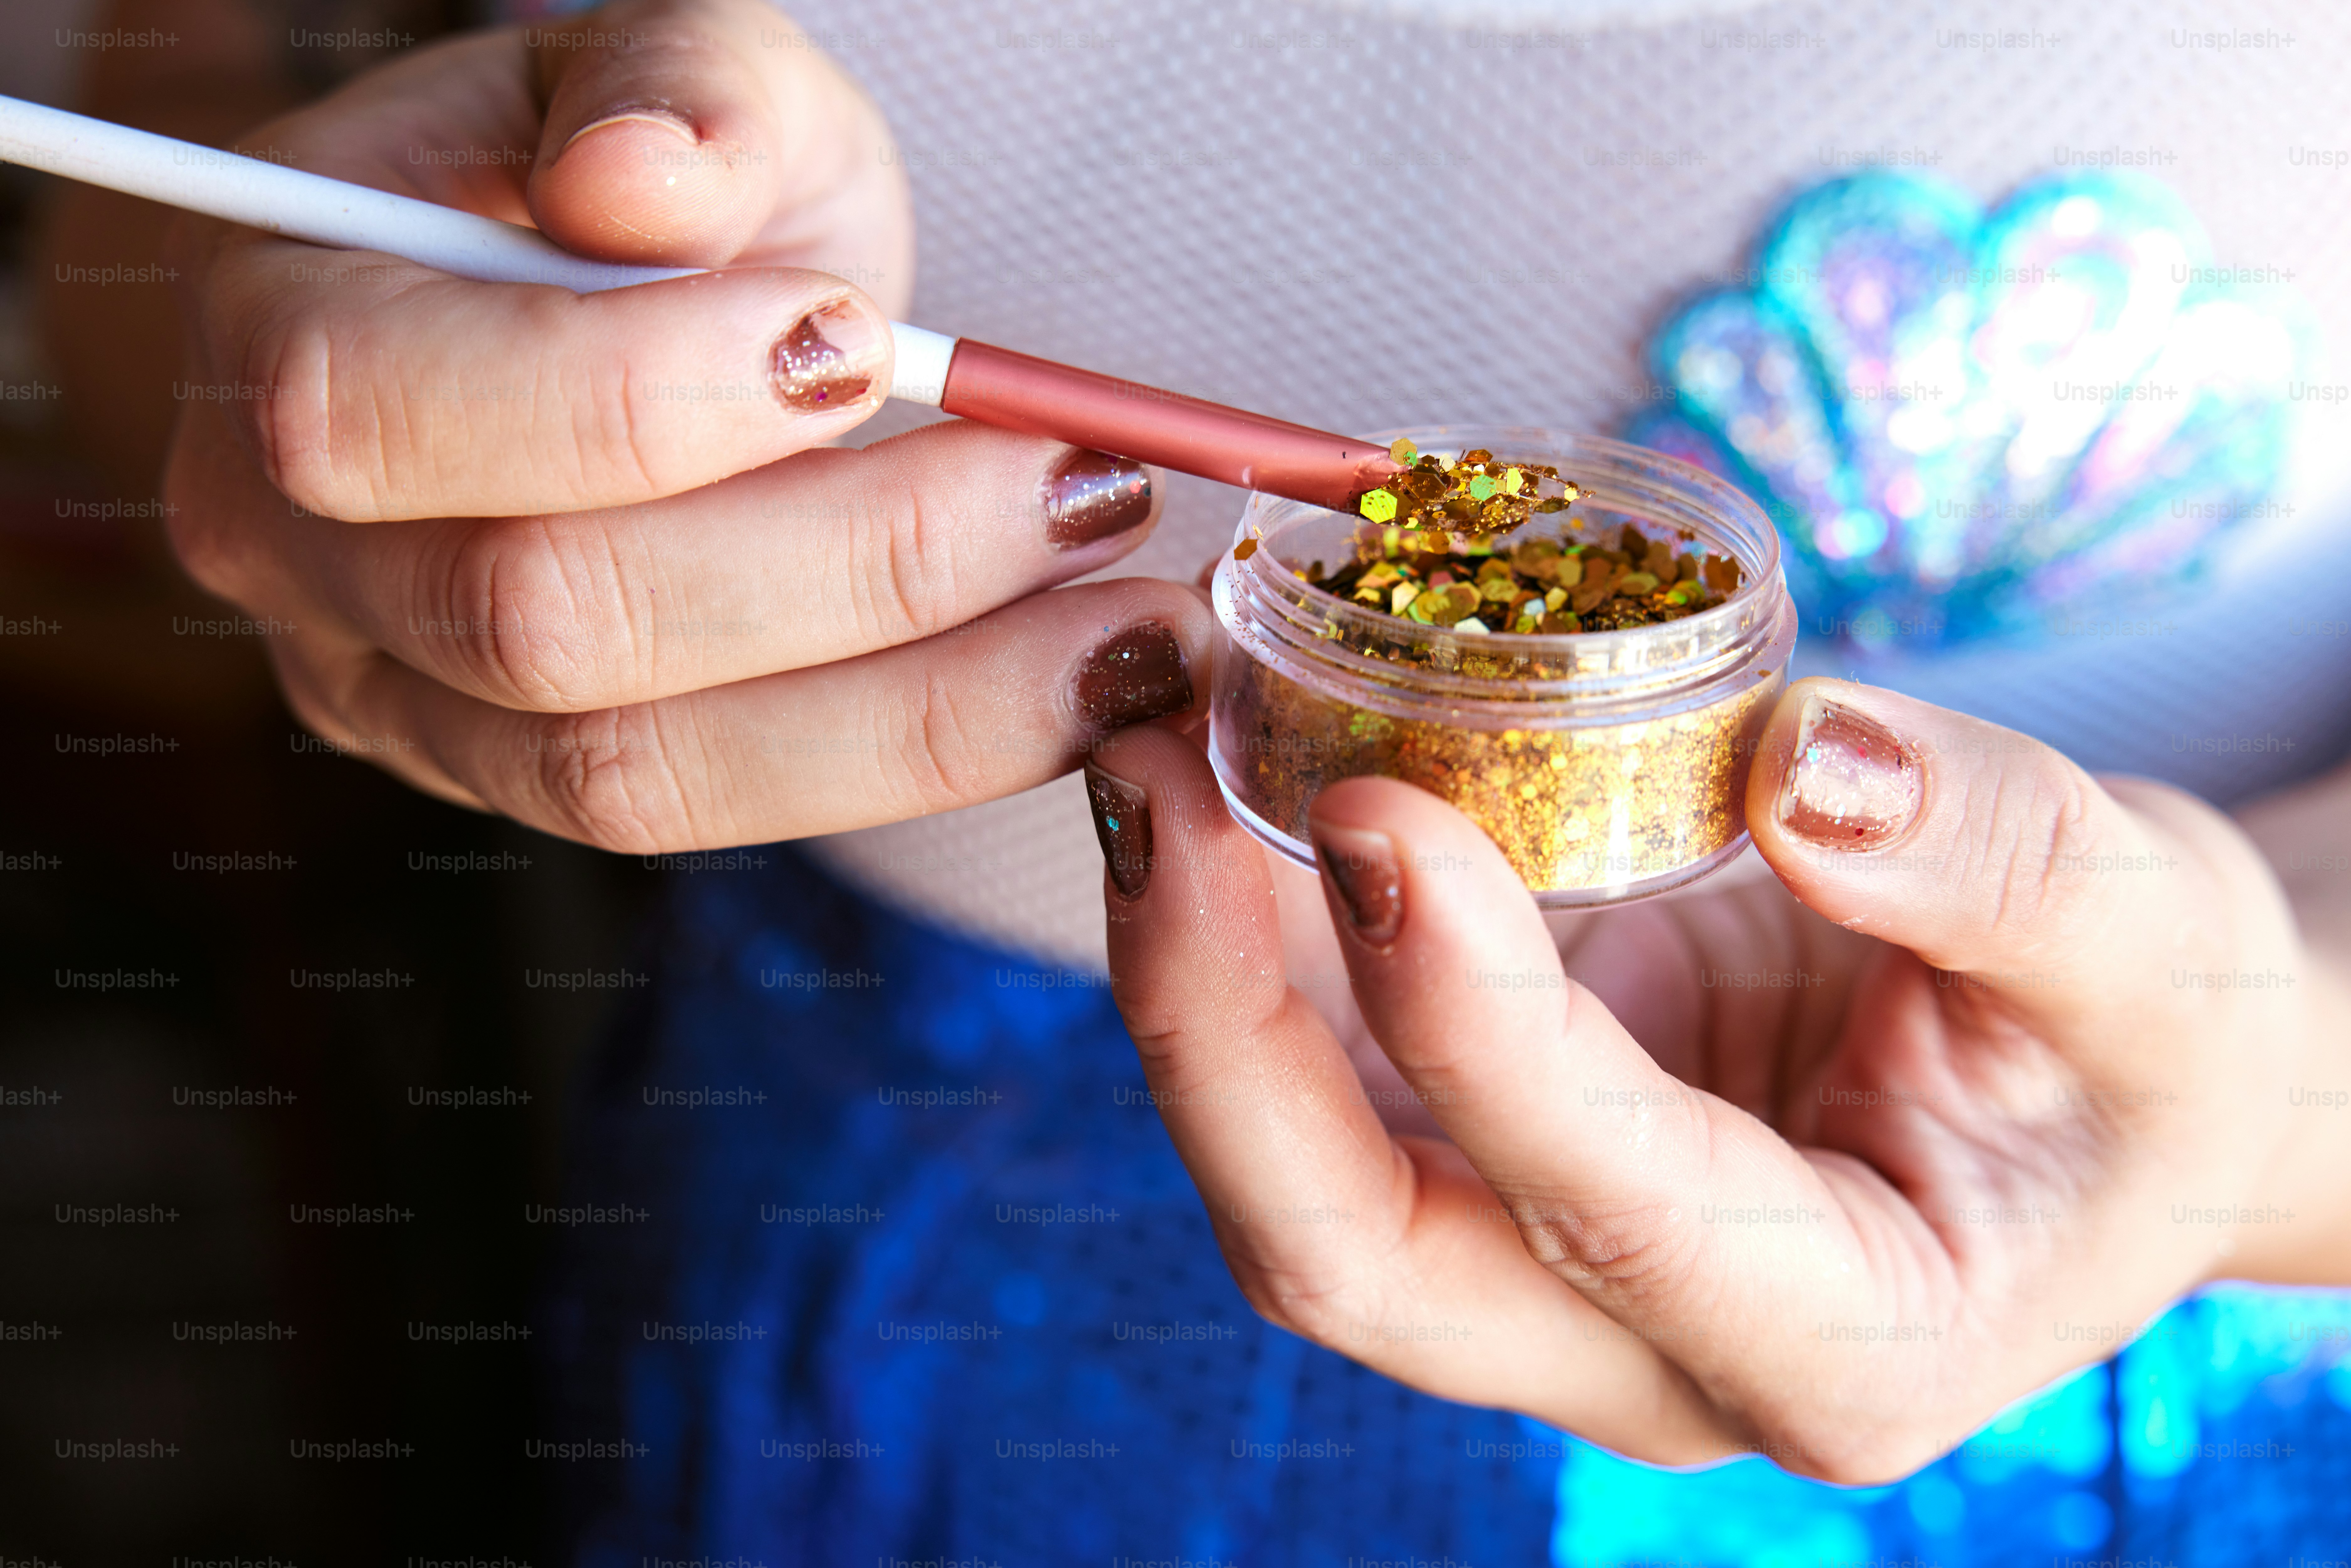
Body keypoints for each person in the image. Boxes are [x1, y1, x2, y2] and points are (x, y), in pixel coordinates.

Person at [51, 0, 2351, 1557]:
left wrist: (2252, 1078)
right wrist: (322, 415)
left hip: (2143, 1301)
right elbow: (146, 197)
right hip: (914, 1236)